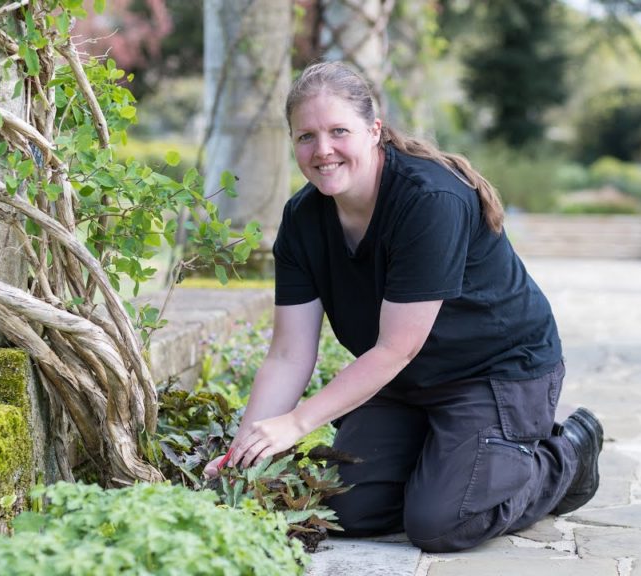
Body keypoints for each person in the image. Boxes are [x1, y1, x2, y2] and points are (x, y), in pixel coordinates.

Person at [203, 61, 603, 552]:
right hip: (406, 384)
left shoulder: (429, 200)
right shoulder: (303, 218)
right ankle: (454, 459)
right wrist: (243, 454)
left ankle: (568, 454)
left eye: (338, 131)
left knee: (442, 522)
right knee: (342, 507)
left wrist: (297, 422)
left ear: (373, 131)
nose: (322, 150)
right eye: (306, 136)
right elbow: (288, 354)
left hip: (495, 373)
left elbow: (395, 348)